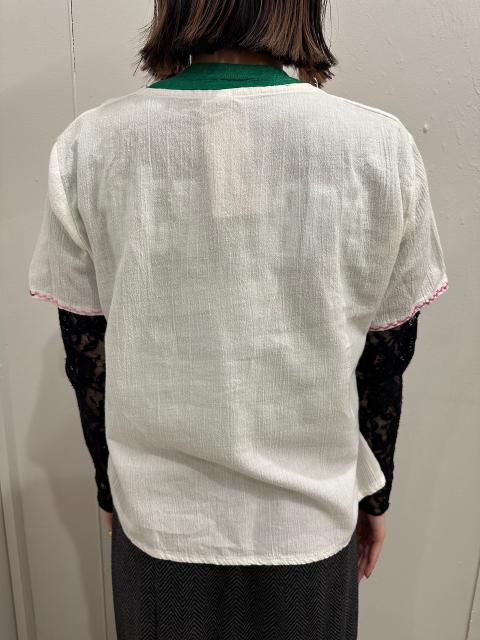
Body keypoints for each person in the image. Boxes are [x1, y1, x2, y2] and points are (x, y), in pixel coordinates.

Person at [28, 2, 449, 638]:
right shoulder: (377, 147)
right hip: (310, 524)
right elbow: (386, 360)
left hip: (160, 525)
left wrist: (109, 490)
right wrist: (375, 495)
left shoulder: (93, 145)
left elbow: (87, 353)